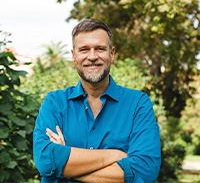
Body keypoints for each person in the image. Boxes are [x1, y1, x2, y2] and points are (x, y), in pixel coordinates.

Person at [33, 18, 161, 183]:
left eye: (100, 49)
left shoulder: (138, 104)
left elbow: (144, 170)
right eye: (84, 49)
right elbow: (45, 161)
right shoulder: (55, 102)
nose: (92, 56)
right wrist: (115, 155)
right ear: (74, 55)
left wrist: (64, 163)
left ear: (112, 54)